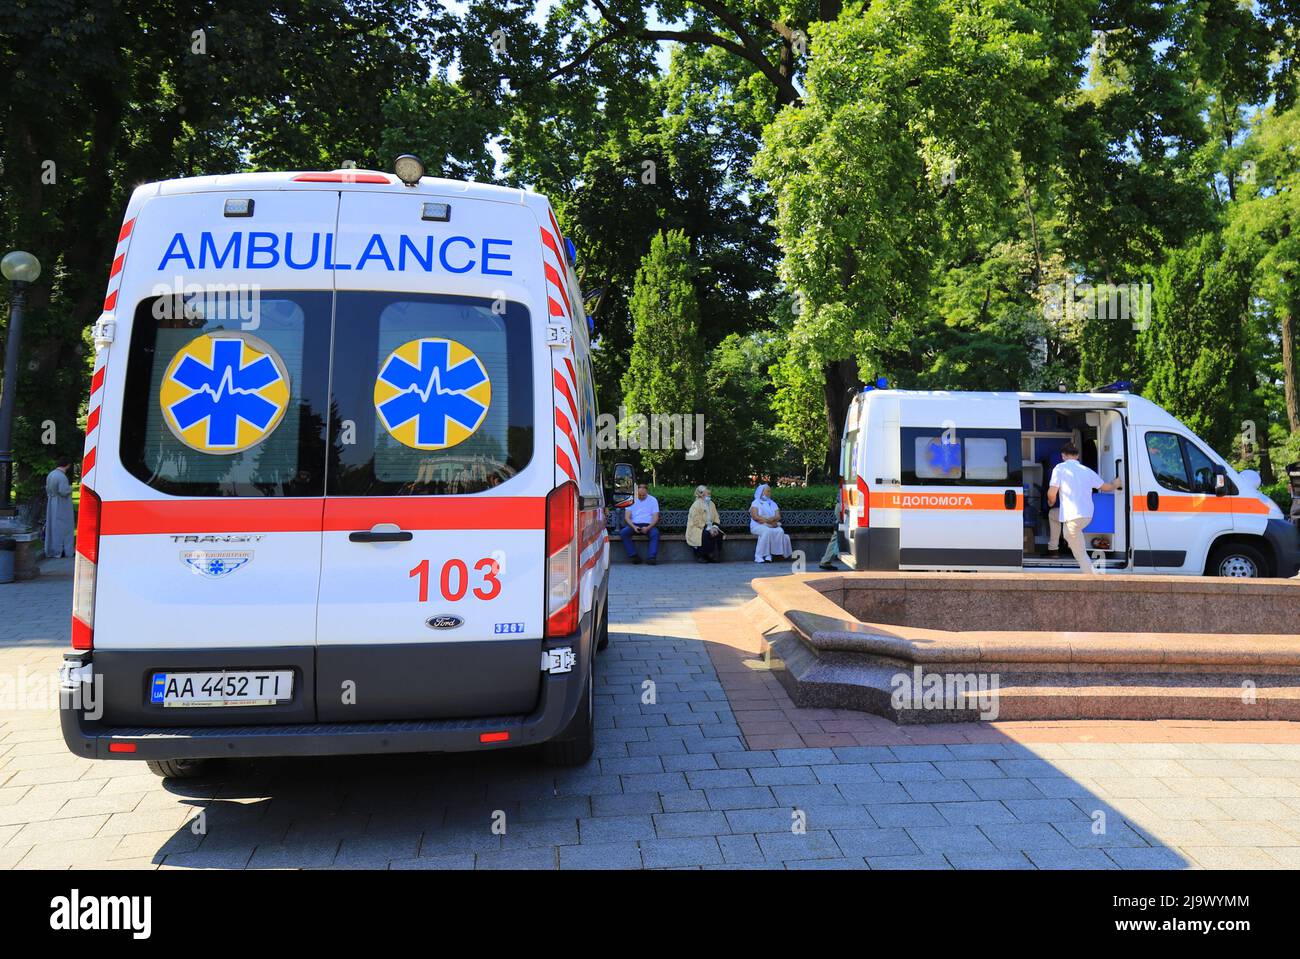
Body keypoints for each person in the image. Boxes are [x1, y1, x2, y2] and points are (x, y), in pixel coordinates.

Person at [1046, 442, 1121, 573]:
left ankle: (1090, 577)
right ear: (1078, 456)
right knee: (1053, 515)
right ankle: (1053, 548)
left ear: (1063, 456)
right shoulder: (1087, 471)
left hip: (1073, 518)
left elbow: (1052, 493)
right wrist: (1117, 482)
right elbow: (1107, 487)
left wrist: (1050, 501)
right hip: (1086, 516)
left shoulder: (1060, 468)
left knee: (1079, 552)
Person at [749, 483, 792, 563]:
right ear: (762, 492)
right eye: (767, 491)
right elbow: (755, 517)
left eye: (770, 492)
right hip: (757, 525)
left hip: (771, 525)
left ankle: (769, 554)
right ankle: (758, 556)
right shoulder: (755, 502)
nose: (769, 493)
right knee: (766, 531)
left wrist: (771, 522)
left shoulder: (773, 503)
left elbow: (778, 516)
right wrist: (770, 522)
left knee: (780, 531)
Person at [618, 483, 660, 565]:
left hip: (648, 525)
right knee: (623, 533)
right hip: (634, 524)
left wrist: (648, 528)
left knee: (655, 533)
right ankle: (634, 556)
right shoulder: (631, 500)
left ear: (646, 492)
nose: (641, 496)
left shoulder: (653, 500)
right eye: (639, 495)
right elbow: (627, 517)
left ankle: (652, 558)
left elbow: (655, 517)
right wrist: (634, 527)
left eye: (643, 495)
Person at [44, 455, 76, 559]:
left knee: (53, 526)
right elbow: (63, 491)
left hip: (52, 502)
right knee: (64, 527)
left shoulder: (51, 474)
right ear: (68, 465)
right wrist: (71, 488)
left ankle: (52, 549)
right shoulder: (62, 477)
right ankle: (64, 550)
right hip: (61, 504)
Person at [685, 485, 725, 563]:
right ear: (702, 495)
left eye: (709, 493)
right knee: (706, 534)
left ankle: (715, 554)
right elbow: (696, 521)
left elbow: (716, 517)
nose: (709, 495)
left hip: (711, 526)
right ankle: (703, 555)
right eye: (708, 493)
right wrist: (708, 528)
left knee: (719, 534)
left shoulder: (711, 504)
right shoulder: (696, 505)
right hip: (697, 527)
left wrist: (715, 526)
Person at [819, 483, 844, 570]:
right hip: (843, 506)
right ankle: (826, 560)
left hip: (841, 506)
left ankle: (826, 560)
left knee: (836, 535)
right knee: (837, 535)